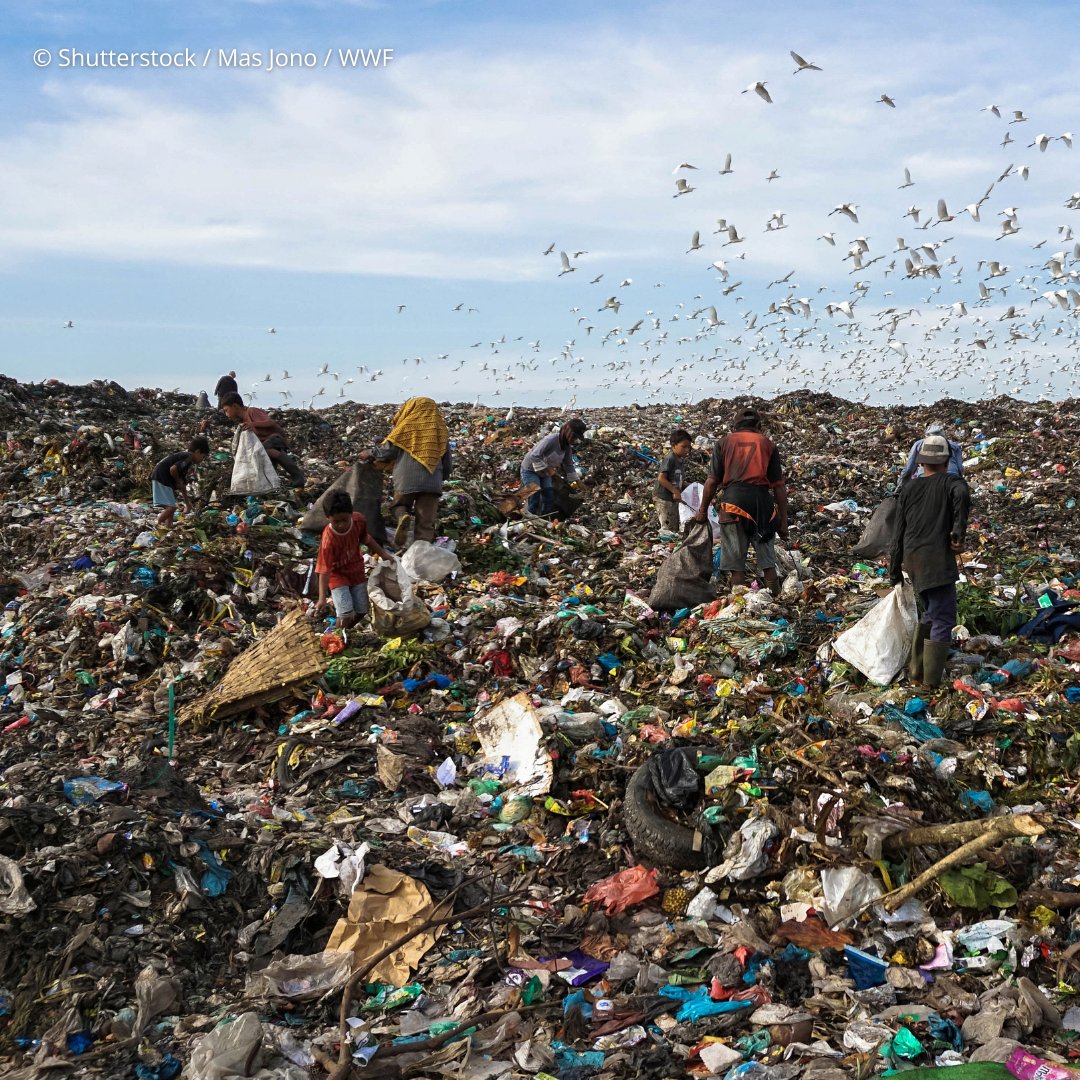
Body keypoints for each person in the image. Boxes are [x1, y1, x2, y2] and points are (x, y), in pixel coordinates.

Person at [889, 434, 971, 689]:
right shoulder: (950, 483)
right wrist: (958, 531)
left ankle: (917, 671)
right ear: (947, 461)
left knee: (930, 614)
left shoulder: (909, 489)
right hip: (936, 560)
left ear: (921, 463)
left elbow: (898, 532)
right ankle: (929, 681)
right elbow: (962, 492)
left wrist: (894, 569)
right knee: (944, 618)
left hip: (913, 560)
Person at [695, 406, 789, 596]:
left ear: (735, 425)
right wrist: (784, 523)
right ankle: (777, 599)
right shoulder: (768, 444)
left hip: (734, 503)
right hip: (762, 505)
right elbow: (778, 486)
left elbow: (712, 481)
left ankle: (741, 603)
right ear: (758, 425)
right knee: (768, 562)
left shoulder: (724, 443)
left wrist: (702, 510)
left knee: (737, 566)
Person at [362, 397, 452, 547]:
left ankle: (403, 516)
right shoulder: (441, 430)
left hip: (406, 478)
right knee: (425, 522)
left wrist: (370, 453)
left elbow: (387, 451)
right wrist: (442, 477)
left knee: (399, 505)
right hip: (433, 480)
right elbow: (447, 461)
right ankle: (421, 553)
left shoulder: (406, 426)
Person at [314, 491, 390, 628]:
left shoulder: (358, 521)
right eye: (336, 521)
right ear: (328, 518)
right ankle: (336, 637)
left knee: (362, 609)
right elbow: (324, 570)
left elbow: (366, 539)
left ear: (351, 514)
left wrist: (384, 555)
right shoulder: (328, 541)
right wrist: (322, 599)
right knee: (345, 612)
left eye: (345, 520)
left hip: (356, 569)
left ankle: (346, 630)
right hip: (337, 574)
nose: (341, 525)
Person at [219, 392, 306, 489]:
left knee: (261, 451)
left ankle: (298, 475)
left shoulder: (251, 411)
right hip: (266, 443)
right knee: (260, 457)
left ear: (235, 406)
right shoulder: (243, 421)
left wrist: (253, 424)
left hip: (275, 438)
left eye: (226, 410)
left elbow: (270, 422)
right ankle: (270, 486)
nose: (226, 414)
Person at [521, 419, 587, 517]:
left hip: (545, 473)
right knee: (534, 493)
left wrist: (577, 482)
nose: (574, 440)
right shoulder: (551, 440)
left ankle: (544, 518)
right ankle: (530, 520)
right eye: (573, 436)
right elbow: (534, 455)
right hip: (530, 470)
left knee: (548, 495)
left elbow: (568, 465)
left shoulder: (567, 447)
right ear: (567, 431)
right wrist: (548, 469)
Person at [151, 436, 209, 527]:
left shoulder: (186, 462)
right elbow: (173, 469)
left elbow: (182, 485)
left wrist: (187, 504)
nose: (202, 460)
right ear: (198, 451)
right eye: (203, 456)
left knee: (172, 508)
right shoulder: (188, 457)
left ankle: (168, 528)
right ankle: (155, 525)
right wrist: (178, 481)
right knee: (171, 507)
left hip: (163, 478)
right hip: (161, 477)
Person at [898, 423, 963, 487]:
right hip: (952, 476)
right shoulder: (954, 445)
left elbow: (909, 467)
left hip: (926, 477)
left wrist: (901, 485)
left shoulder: (919, 444)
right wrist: (960, 480)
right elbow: (960, 468)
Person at [655, 428, 692, 533]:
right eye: (684, 447)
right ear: (674, 445)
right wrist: (675, 491)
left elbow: (678, 480)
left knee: (674, 526)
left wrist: (692, 486)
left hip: (672, 498)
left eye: (688, 447)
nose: (687, 450)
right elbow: (661, 478)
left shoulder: (679, 460)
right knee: (668, 529)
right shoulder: (670, 459)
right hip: (664, 498)